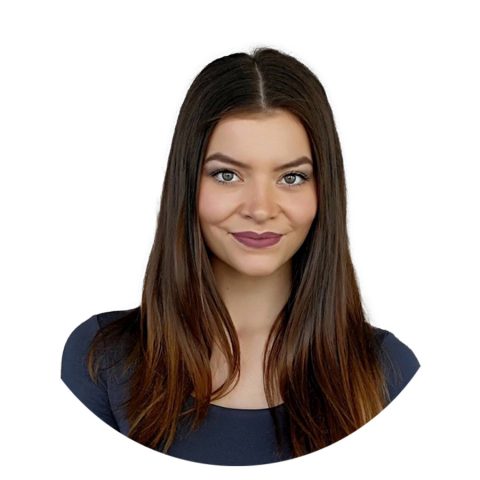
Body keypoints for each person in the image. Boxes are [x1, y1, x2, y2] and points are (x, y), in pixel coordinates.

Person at [61, 46, 420, 466]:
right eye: (227, 174)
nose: (260, 208)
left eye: (292, 177)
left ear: (324, 192)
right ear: (187, 185)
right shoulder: (102, 359)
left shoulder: (387, 372)